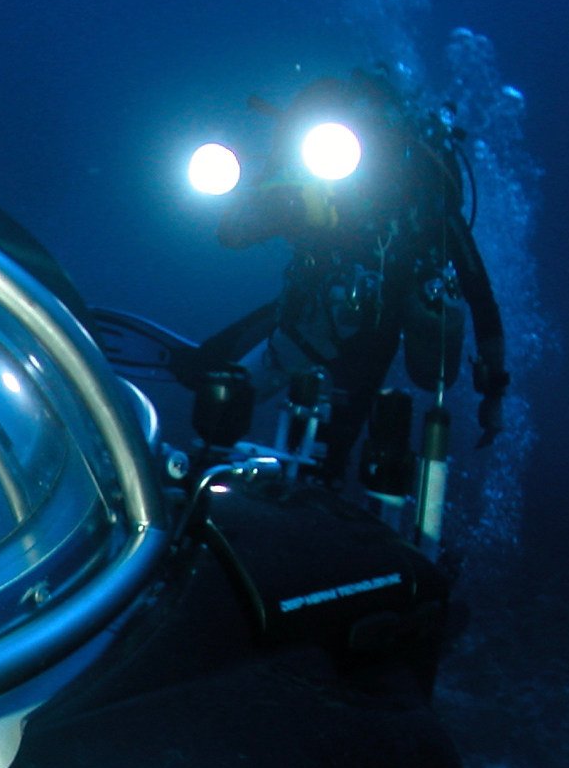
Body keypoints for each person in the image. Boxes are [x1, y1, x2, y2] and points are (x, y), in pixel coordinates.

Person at [210, 67, 510, 481]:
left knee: (325, 456)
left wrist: (494, 391)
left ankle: (314, 493)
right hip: (303, 322)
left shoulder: (425, 203)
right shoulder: (318, 186)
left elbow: (479, 292)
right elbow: (232, 233)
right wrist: (281, 205)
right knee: (221, 401)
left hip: (369, 341)